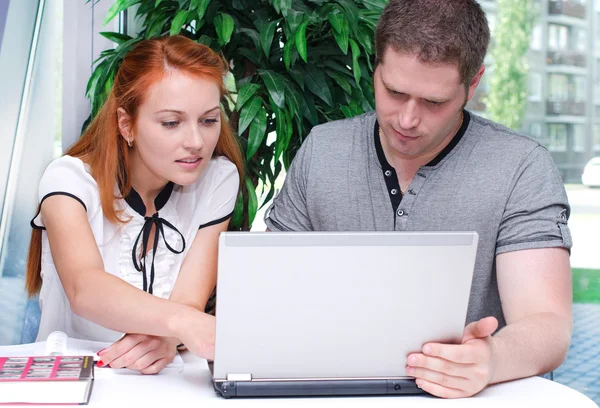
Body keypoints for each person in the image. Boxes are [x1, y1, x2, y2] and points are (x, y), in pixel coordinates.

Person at [265, 0, 572, 399]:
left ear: (473, 84)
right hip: (332, 391)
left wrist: (491, 359)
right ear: (376, 69)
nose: (407, 119)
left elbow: (547, 325)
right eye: (394, 91)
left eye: (434, 102)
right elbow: (273, 291)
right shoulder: (322, 151)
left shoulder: (521, 167)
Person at [25, 35, 244, 374]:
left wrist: (170, 336)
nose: (196, 142)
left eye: (209, 120)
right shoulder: (67, 179)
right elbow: (85, 288)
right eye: (171, 123)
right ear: (126, 123)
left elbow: (188, 301)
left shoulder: (218, 179)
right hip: (72, 378)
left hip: (169, 380)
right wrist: (181, 324)